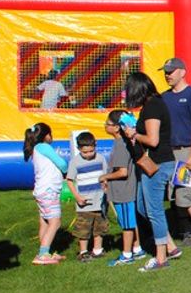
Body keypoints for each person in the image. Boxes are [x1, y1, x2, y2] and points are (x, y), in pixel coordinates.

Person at [123, 71, 183, 272]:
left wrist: (134, 134)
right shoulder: (151, 105)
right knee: (142, 206)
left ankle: (160, 258)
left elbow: (153, 140)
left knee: (154, 210)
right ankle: (171, 247)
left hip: (158, 164)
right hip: (154, 164)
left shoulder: (152, 107)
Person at [160, 58, 191, 247]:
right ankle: (187, 233)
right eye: (165, 71)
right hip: (169, 152)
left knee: (186, 195)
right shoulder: (164, 97)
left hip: (187, 150)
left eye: (170, 71)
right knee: (174, 195)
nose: (167, 75)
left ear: (182, 72)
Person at [101, 110, 145, 266]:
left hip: (123, 191)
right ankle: (137, 248)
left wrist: (104, 177)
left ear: (117, 128)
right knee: (131, 221)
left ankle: (127, 254)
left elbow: (122, 172)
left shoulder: (121, 145)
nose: (105, 126)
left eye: (108, 124)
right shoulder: (122, 143)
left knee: (126, 224)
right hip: (124, 190)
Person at [23, 122, 67, 265]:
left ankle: (44, 251)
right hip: (49, 190)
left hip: (41, 190)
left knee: (45, 222)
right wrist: (66, 171)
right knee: (55, 222)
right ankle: (43, 255)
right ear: (46, 135)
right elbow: (61, 163)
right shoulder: (44, 147)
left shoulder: (36, 150)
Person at [66, 131, 109, 262]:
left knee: (99, 227)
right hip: (84, 203)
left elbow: (105, 175)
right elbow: (69, 180)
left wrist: (106, 185)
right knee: (83, 229)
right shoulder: (75, 162)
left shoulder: (101, 158)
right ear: (79, 149)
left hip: (100, 201)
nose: (89, 154)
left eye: (91, 151)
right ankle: (83, 251)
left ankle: (97, 249)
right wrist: (77, 197)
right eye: (85, 152)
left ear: (95, 146)